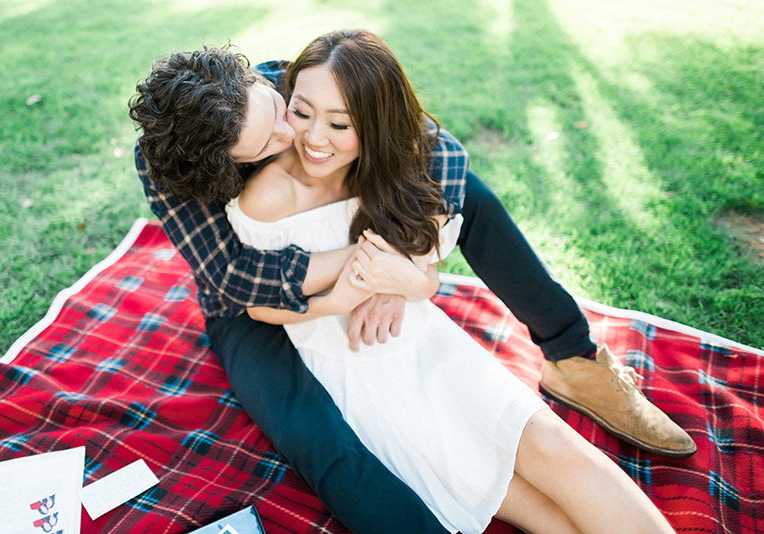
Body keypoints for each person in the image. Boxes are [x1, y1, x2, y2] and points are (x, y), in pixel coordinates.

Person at [128, 36, 694, 532]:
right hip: (253, 303)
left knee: (468, 195)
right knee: (329, 447)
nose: (294, 132)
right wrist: (361, 268)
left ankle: (572, 353)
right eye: (266, 142)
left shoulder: (304, 85)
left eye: (281, 108)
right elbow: (235, 280)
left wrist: (399, 268)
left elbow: (440, 150)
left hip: (369, 252)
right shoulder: (178, 163)